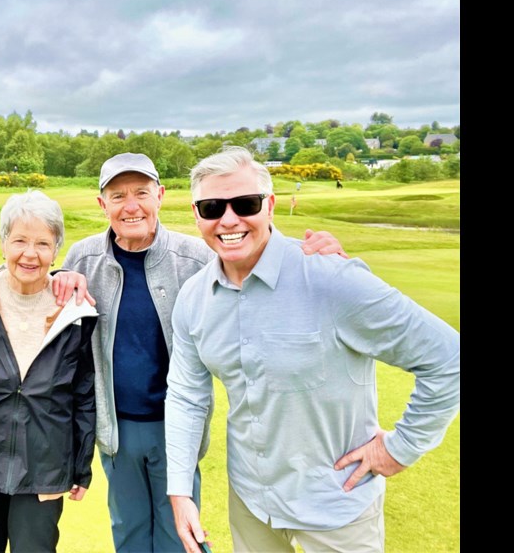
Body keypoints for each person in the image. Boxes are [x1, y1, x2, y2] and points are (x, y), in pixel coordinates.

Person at [165, 146, 460, 552]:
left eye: (245, 203)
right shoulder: (193, 297)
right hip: (252, 503)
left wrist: (401, 449)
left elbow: (449, 359)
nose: (228, 219)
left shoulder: (331, 279)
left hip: (335, 507)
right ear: (197, 214)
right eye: (213, 206)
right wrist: (180, 490)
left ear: (269, 205)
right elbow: (186, 396)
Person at [57, 152, 346, 552]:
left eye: (141, 192)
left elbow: (250, 265)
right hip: (115, 429)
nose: (131, 206)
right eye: (118, 195)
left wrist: (309, 257)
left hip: (176, 423)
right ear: (102, 204)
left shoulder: (195, 257)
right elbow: (41, 294)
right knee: (128, 532)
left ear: (160, 195)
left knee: (181, 534)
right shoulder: (83, 257)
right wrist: (57, 275)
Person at [0, 190, 98, 552]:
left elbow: (82, 392)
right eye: (20, 241)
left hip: (45, 465)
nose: (30, 254)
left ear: (56, 250)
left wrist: (81, 465)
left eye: (43, 243)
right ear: (3, 244)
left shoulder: (74, 312)